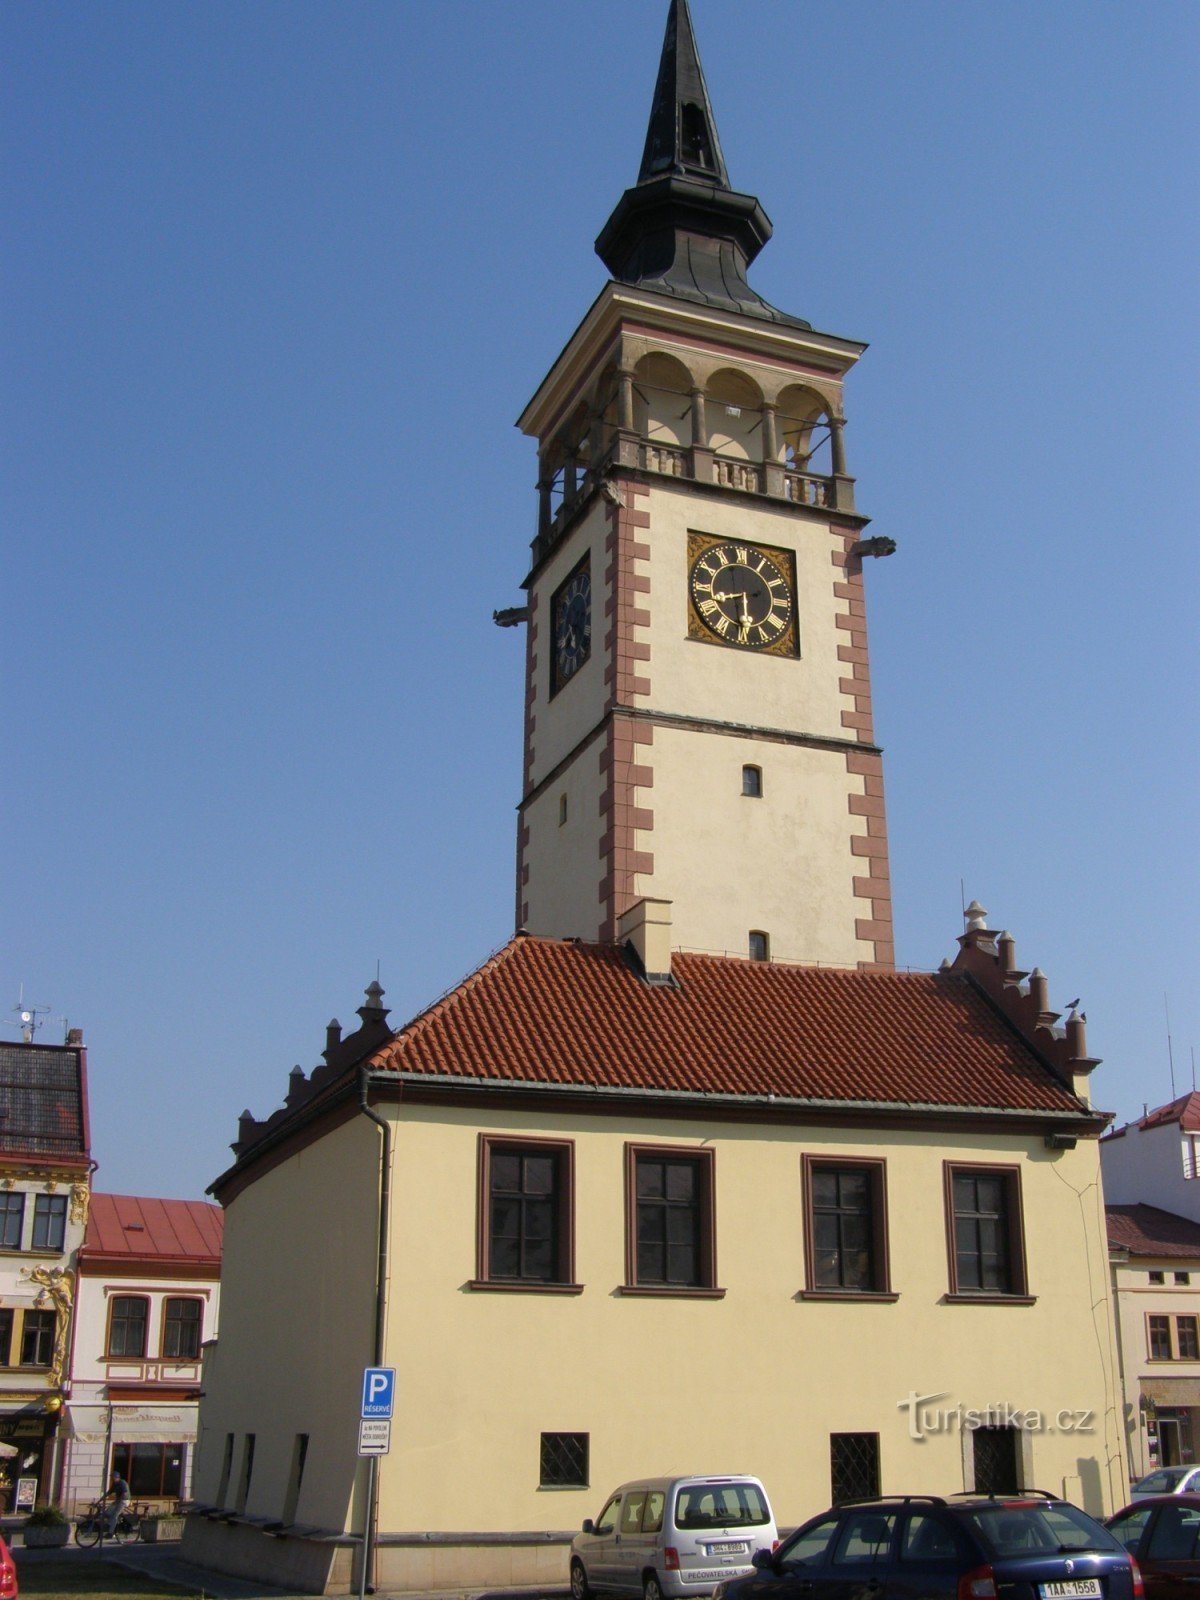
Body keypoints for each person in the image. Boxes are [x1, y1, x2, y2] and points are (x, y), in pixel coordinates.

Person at [102, 1470, 129, 1535]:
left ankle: (111, 1533)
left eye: (113, 1477)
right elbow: (109, 1492)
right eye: (111, 1477)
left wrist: (119, 1500)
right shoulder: (114, 1484)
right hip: (118, 1501)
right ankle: (114, 1523)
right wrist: (100, 1500)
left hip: (124, 1501)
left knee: (114, 1515)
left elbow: (125, 1493)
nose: (112, 1479)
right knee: (107, 1512)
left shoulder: (122, 1482)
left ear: (117, 1477)